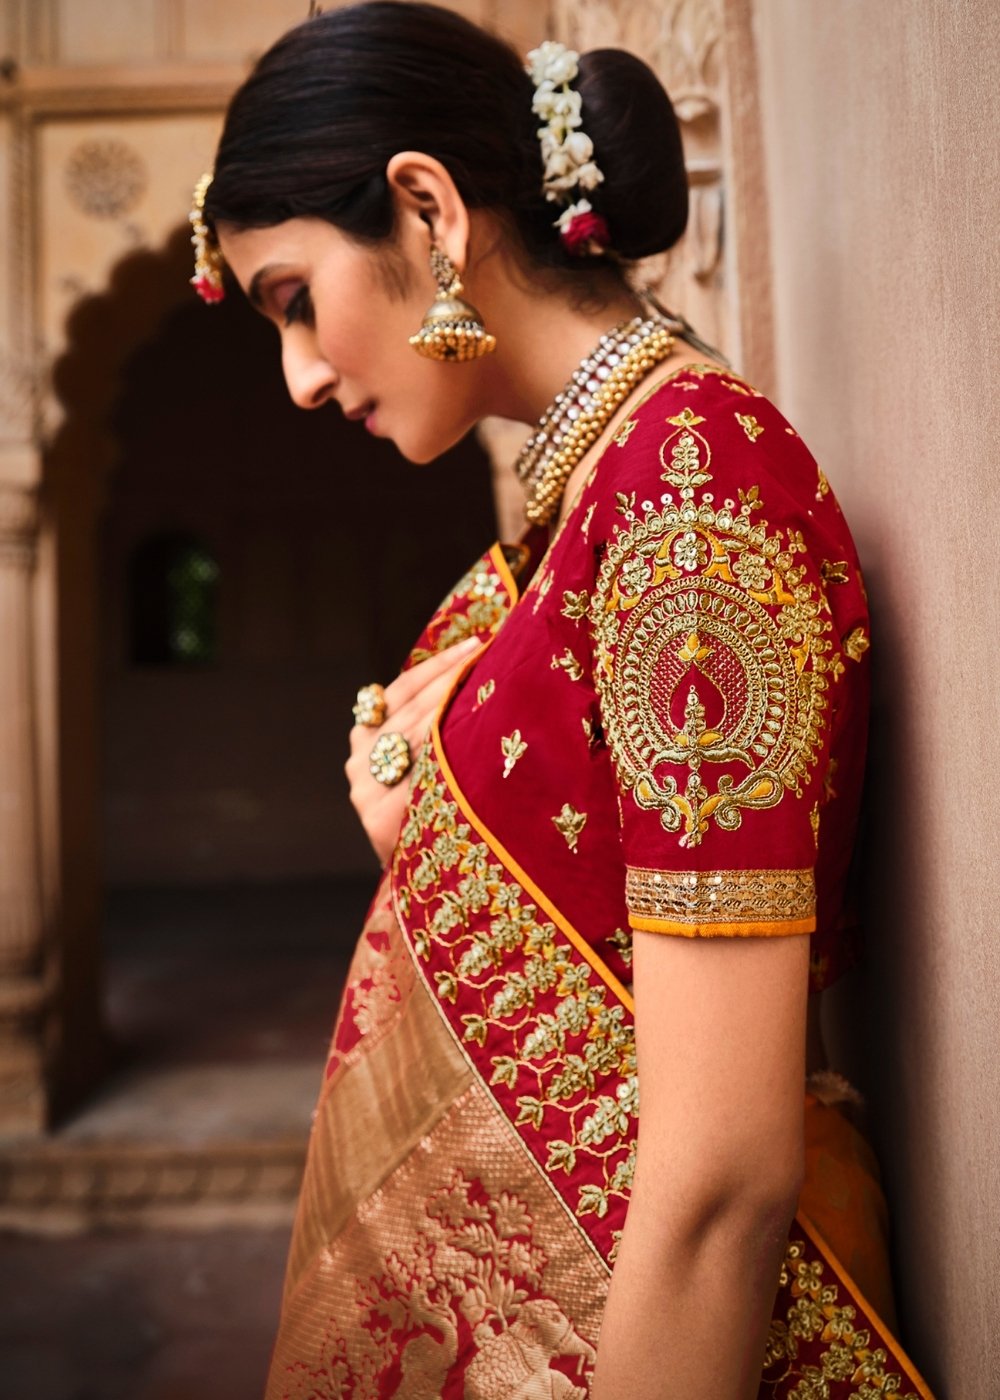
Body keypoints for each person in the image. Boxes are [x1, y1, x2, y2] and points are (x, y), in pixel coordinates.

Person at [190, 5, 934, 1396]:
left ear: (427, 211)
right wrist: (430, 842)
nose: (298, 375)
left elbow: (719, 1186)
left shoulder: (690, 499)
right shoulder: (591, 502)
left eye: (294, 298)